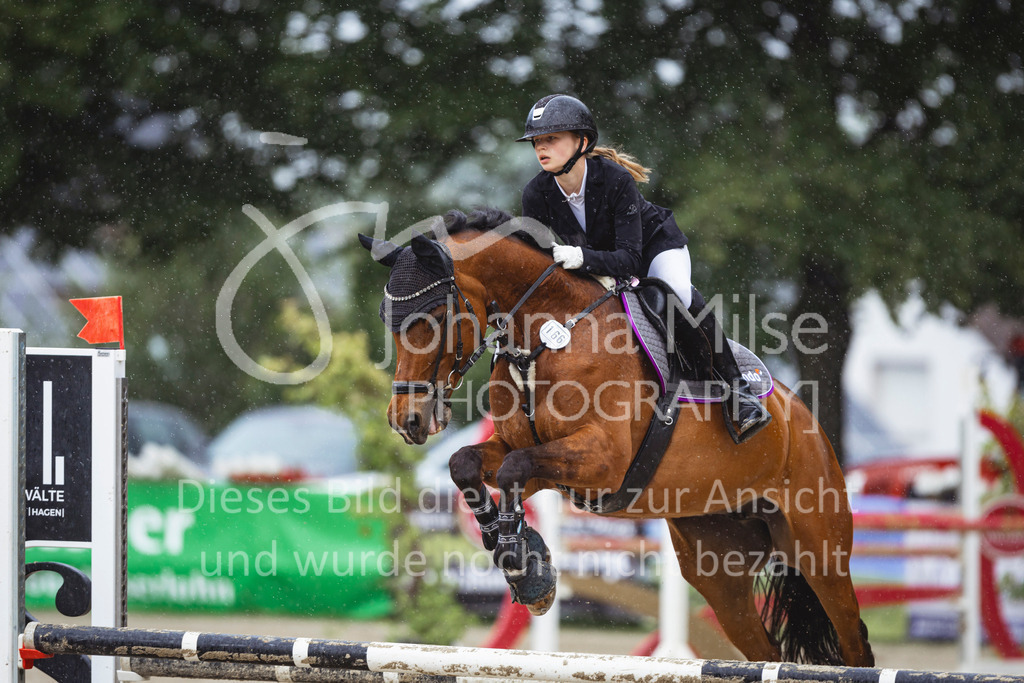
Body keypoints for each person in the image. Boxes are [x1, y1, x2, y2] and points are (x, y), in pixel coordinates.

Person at [517, 94, 771, 444]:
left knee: (675, 293)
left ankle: (738, 391)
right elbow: (539, 261)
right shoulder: (536, 194)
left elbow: (630, 260)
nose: (540, 148)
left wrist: (581, 258)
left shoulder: (615, 180)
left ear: (582, 141)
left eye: (551, 139)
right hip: (595, 261)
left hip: (652, 248)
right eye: (536, 141)